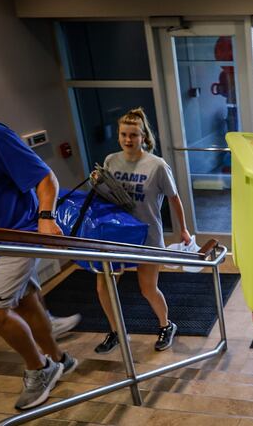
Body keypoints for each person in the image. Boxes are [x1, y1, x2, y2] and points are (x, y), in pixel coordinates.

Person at [0, 90, 78, 410]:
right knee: (27, 305)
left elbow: (46, 179)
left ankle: (41, 368)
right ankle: (61, 359)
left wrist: (46, 219)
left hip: (14, 236)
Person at [93, 107, 191, 354]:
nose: (128, 139)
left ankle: (166, 325)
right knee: (103, 286)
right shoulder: (110, 161)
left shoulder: (156, 165)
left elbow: (174, 198)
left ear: (144, 137)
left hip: (146, 235)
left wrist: (184, 230)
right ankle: (116, 331)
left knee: (147, 288)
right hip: (116, 234)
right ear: (118, 136)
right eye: (124, 134)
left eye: (134, 135)